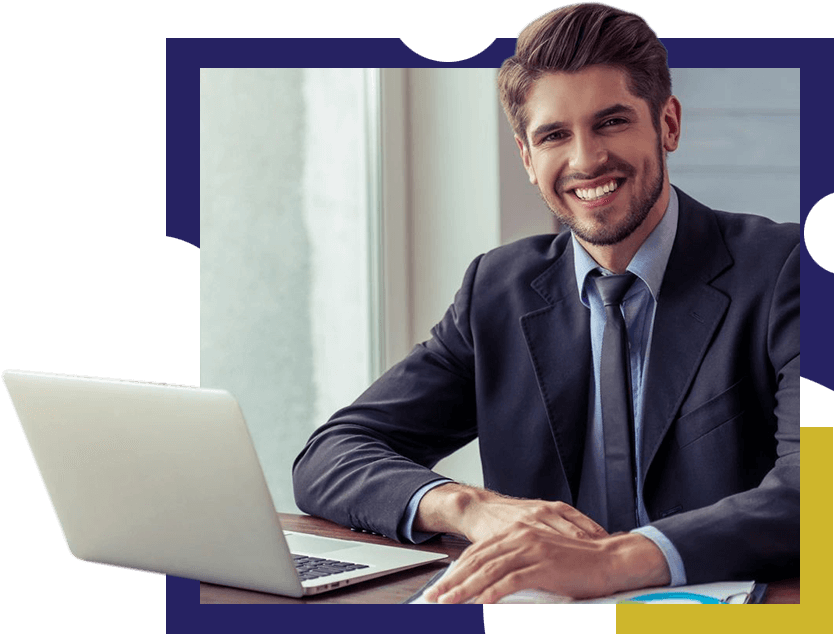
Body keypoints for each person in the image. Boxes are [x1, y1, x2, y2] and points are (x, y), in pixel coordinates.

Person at [292, 3, 799, 603]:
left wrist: (614, 561)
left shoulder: (786, 269)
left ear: (668, 125)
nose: (585, 160)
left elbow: (815, 487)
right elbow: (332, 454)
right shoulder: (497, 289)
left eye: (611, 122)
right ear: (528, 158)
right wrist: (468, 506)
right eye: (555, 135)